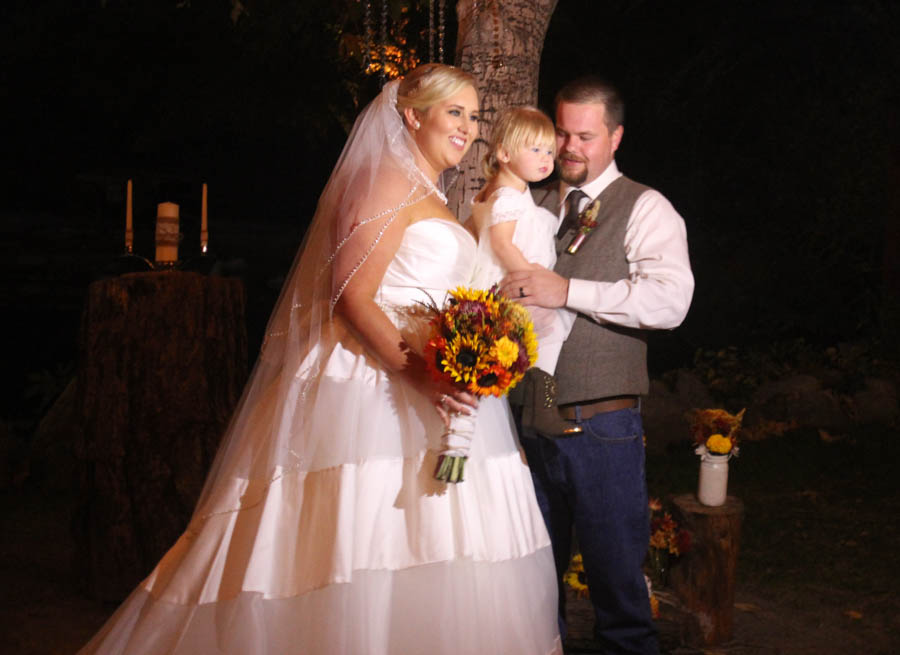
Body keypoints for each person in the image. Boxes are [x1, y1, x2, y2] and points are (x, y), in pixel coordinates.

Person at [78, 64, 561, 655]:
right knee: (361, 539)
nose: (468, 127)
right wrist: (422, 376)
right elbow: (351, 297)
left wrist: (473, 347)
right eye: (454, 112)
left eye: (474, 115)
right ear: (413, 116)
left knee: (446, 543)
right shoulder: (385, 180)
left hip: (436, 379)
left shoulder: (430, 192)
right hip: (375, 381)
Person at [500, 76, 694, 654]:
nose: (569, 147)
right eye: (562, 133)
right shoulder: (530, 203)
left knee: (619, 595)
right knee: (531, 596)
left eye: (585, 136)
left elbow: (670, 302)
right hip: (523, 428)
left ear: (616, 137)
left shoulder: (646, 206)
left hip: (602, 428)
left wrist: (568, 291)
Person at [469, 105, 578, 437]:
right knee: (555, 325)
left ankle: (533, 400)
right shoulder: (508, 198)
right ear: (504, 153)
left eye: (549, 151)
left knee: (544, 333)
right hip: (514, 285)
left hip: (503, 284)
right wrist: (532, 280)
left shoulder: (497, 191)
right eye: (535, 150)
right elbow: (501, 244)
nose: (546, 159)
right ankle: (540, 406)